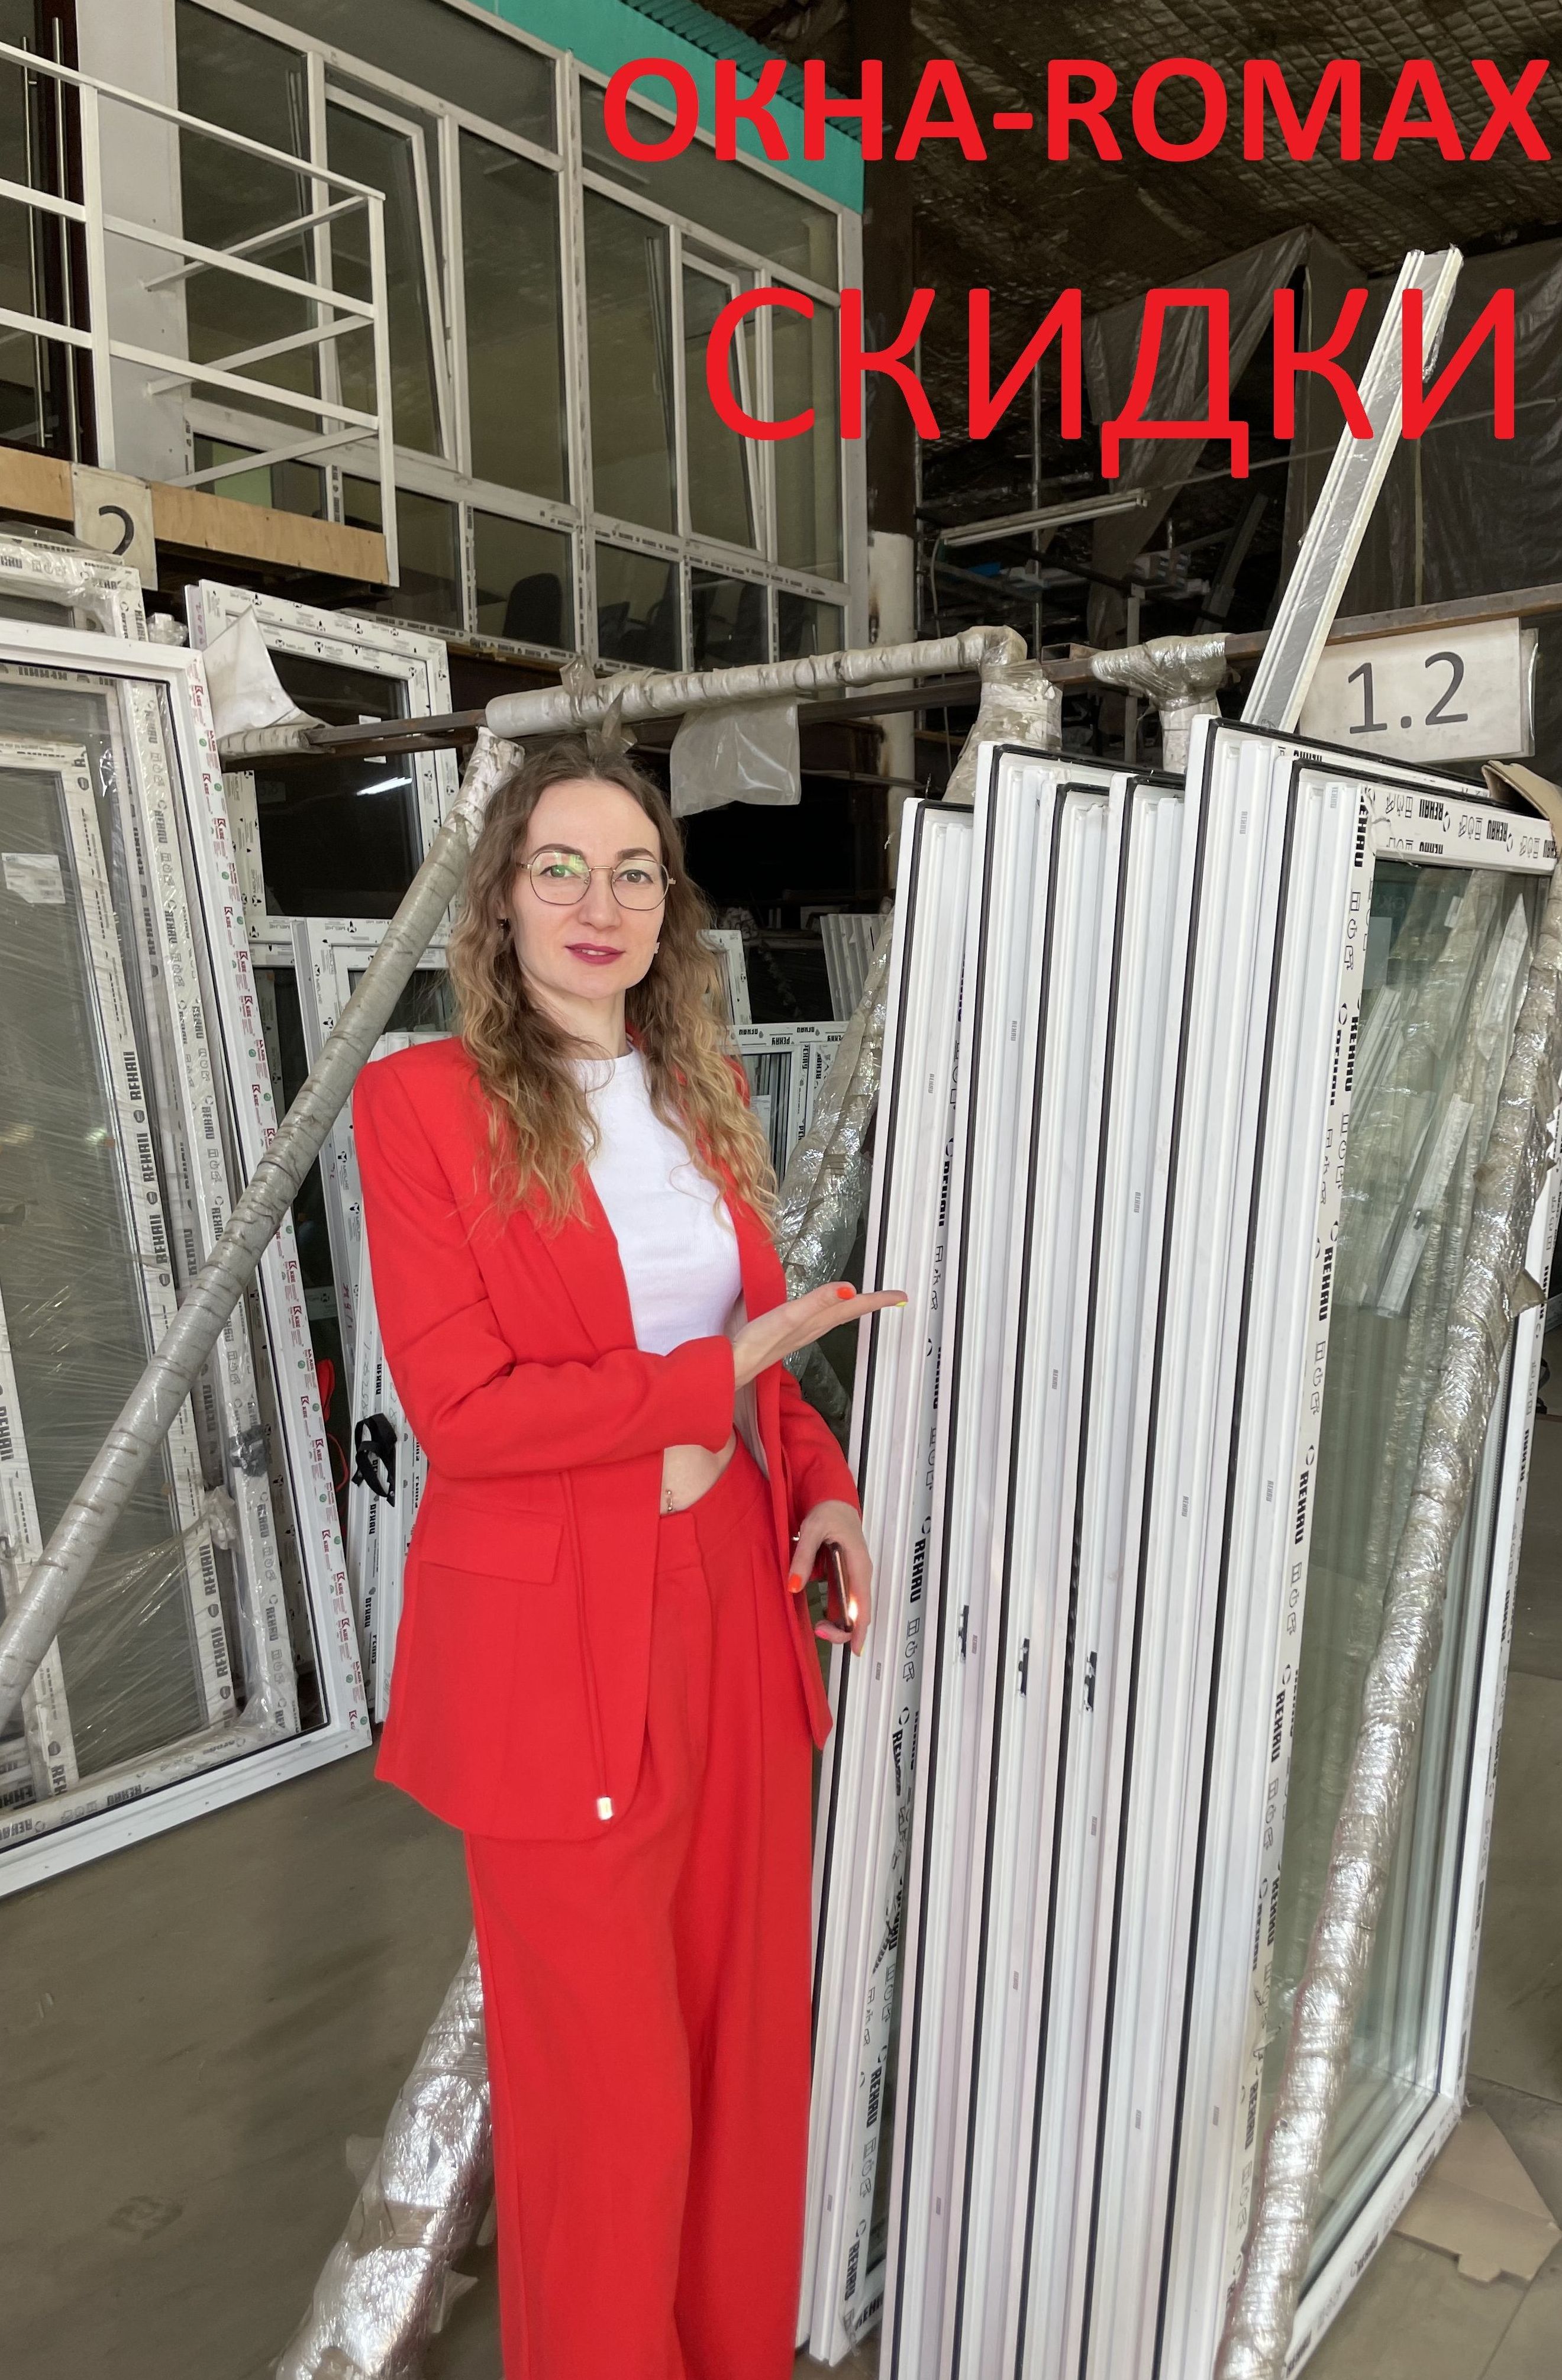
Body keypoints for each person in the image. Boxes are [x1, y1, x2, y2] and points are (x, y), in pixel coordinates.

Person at [352, 737, 902, 2380]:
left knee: (742, 2061)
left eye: (634, 873)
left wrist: (819, 1489)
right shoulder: (422, 1104)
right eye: (561, 870)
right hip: (558, 1650)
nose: (600, 904)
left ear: (671, 908)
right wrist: (707, 1383)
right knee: (607, 2101)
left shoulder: (696, 1093)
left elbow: (759, 1357)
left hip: (735, 1601)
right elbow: (463, 1412)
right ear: (502, 899)